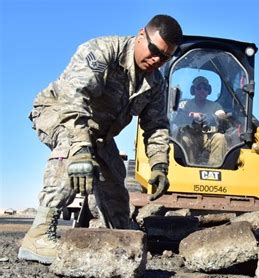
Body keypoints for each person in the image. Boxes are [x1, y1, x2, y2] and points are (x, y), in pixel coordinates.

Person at [18, 14, 183, 264]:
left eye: (165, 57)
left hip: (99, 132)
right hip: (59, 111)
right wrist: (82, 149)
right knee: (74, 153)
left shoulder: (155, 83)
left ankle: (119, 236)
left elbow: (156, 126)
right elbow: (74, 99)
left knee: (114, 180)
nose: (156, 60)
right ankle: (39, 235)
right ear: (141, 35)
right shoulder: (102, 51)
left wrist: (160, 165)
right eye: (153, 50)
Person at [176, 76, 228, 166]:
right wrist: (192, 116)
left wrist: (212, 117)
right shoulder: (185, 104)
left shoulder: (215, 105)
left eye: (205, 88)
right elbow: (178, 118)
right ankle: (189, 168)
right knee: (185, 139)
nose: (202, 90)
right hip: (192, 137)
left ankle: (214, 169)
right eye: (199, 88)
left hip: (209, 138)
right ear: (193, 90)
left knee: (220, 138)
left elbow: (222, 114)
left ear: (209, 91)